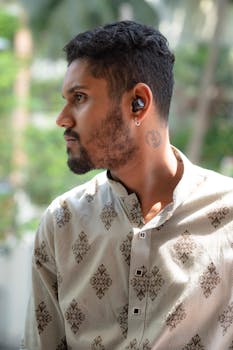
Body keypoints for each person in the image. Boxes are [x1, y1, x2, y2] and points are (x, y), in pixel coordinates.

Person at [21, 21, 233, 350]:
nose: (62, 118)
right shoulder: (60, 223)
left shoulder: (229, 215)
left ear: (138, 103)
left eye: (79, 97)